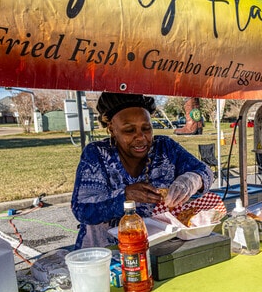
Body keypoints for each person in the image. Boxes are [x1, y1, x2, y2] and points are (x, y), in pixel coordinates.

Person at [71, 92, 214, 249]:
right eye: (129, 130)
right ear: (112, 129)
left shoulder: (165, 147)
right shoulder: (97, 154)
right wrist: (125, 196)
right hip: (106, 253)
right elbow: (82, 209)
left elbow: (204, 171)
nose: (140, 137)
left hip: (159, 247)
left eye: (146, 128)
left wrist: (191, 180)